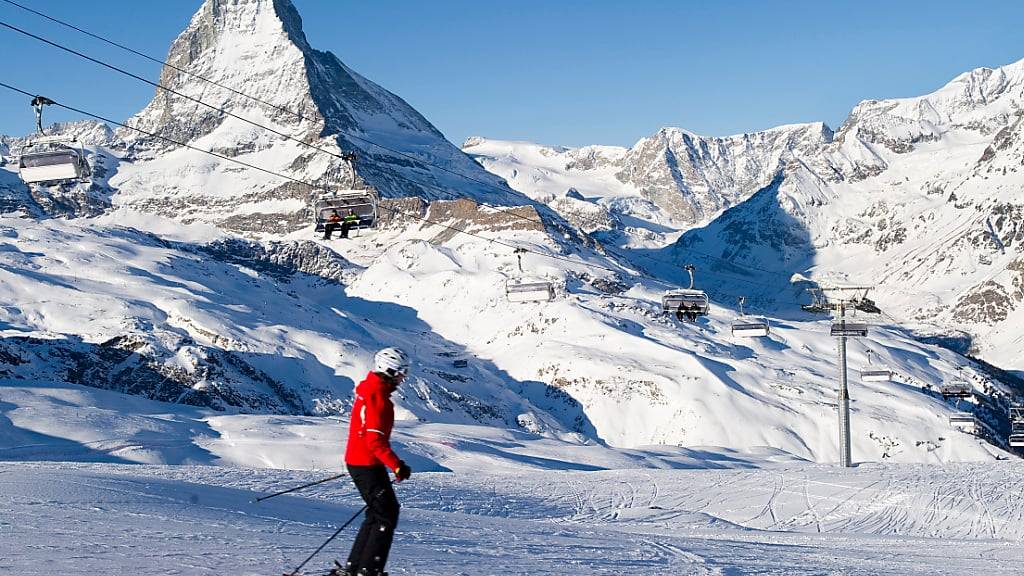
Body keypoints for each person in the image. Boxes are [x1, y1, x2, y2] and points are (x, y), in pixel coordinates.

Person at [335, 347, 412, 576]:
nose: (403, 377)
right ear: (389, 370)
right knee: (386, 514)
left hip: (362, 462)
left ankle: (356, 567)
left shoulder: (371, 390)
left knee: (378, 513)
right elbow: (374, 440)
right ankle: (368, 570)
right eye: (401, 372)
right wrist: (396, 465)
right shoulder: (378, 398)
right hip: (366, 463)